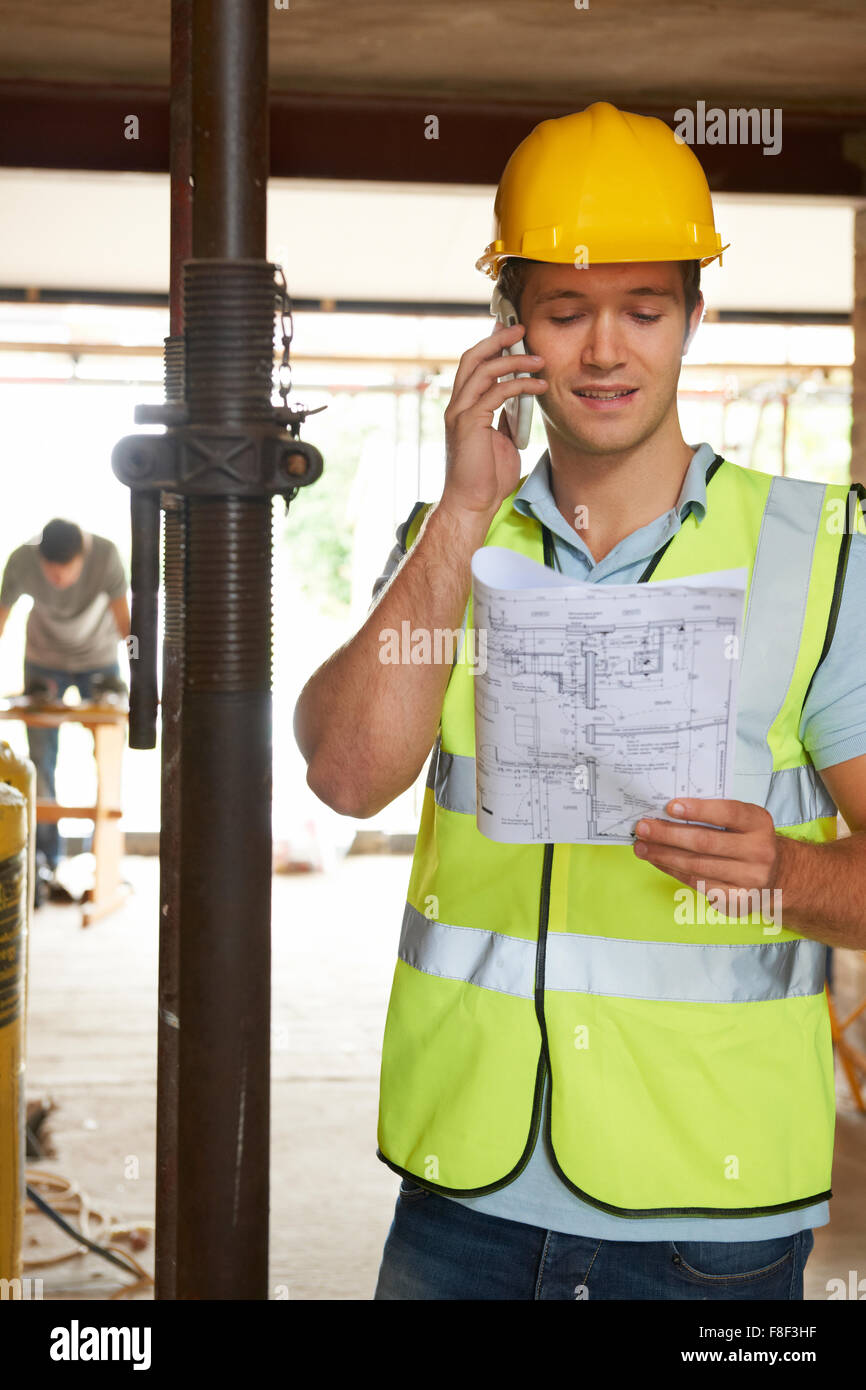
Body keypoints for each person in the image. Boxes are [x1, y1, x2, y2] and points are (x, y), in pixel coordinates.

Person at [293, 102, 866, 1301]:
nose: (604, 351)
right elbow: (345, 772)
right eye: (563, 312)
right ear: (512, 329)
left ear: (693, 319)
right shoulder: (448, 540)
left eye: (643, 311)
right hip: (462, 1201)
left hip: (707, 1225)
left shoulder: (817, 555)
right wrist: (457, 514)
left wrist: (783, 872)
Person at [0, 518, 130, 879]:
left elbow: (125, 625)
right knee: (41, 757)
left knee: (107, 753)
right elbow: (2, 617)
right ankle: (47, 861)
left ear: (82, 555)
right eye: (50, 572)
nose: (56, 580)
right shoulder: (21, 561)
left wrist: (141, 673)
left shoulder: (105, 556)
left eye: (65, 572)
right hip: (45, 661)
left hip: (98, 659)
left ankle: (101, 866)